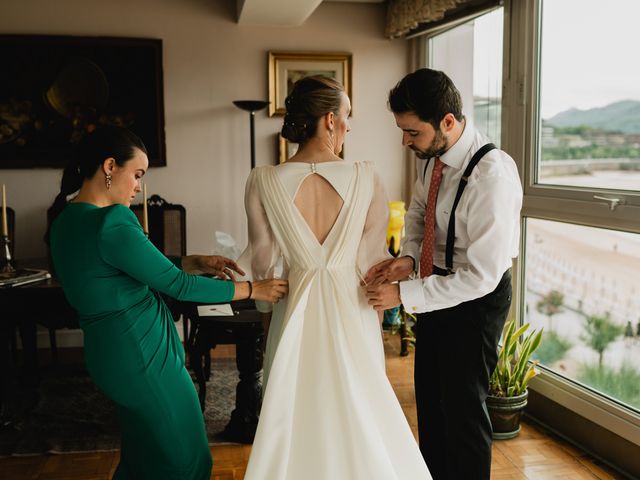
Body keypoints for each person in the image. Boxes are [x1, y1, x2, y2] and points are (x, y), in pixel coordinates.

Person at [47, 126, 288, 480]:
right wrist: (253, 289)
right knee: (187, 461)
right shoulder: (113, 220)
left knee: (143, 459)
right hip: (141, 352)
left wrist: (194, 261)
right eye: (138, 175)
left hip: (108, 354)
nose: (139, 187)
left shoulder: (65, 221)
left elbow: (123, 269)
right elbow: (176, 285)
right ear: (110, 166)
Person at [240, 76, 431, 480]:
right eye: (346, 117)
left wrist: (263, 310)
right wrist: (377, 315)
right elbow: (374, 264)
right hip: (352, 310)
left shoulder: (262, 180)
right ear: (329, 120)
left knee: (292, 421)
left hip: (293, 312)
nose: (347, 127)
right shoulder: (367, 176)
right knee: (361, 412)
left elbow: (261, 264)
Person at [364, 68, 523, 480]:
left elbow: (481, 277)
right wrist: (411, 260)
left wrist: (404, 295)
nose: (404, 141)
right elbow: (419, 214)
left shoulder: (493, 177)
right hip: (434, 290)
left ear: (447, 122)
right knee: (431, 405)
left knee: (464, 413)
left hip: (476, 302)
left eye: (412, 132)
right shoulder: (432, 160)